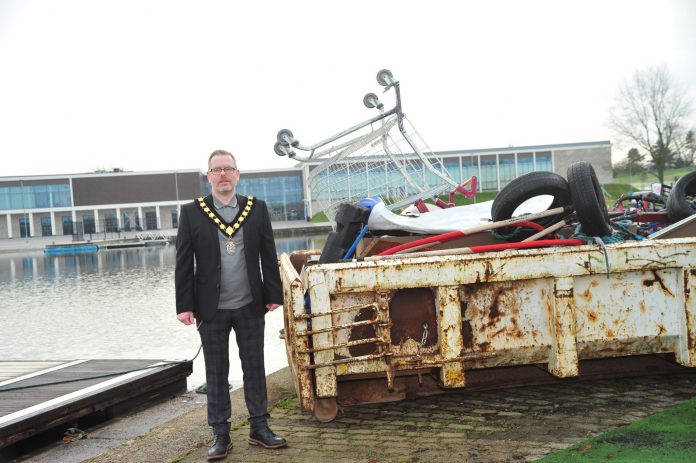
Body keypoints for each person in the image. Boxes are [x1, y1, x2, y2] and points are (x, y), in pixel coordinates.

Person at [175, 149, 287, 460]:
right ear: (208, 176)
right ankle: (221, 435)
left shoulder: (256, 209)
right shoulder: (192, 212)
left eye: (228, 169)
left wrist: (273, 294)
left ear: (237, 174)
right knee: (216, 372)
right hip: (210, 309)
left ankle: (259, 429)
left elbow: (268, 253)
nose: (223, 174)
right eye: (217, 170)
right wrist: (183, 305)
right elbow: (183, 262)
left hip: (250, 304)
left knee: (254, 367)